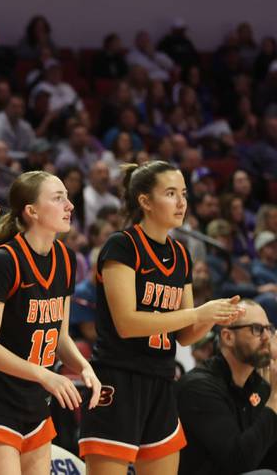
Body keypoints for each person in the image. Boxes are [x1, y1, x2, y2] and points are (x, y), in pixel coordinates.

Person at [79, 161, 244, 475]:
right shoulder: (122, 245)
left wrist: (213, 317)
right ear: (145, 201)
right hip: (118, 378)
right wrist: (197, 312)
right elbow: (127, 324)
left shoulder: (181, 253)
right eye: (170, 193)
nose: (182, 202)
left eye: (183, 193)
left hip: (162, 380)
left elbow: (183, 334)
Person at [0, 171, 101, 475]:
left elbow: (60, 336)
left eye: (67, 197)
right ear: (31, 211)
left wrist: (85, 366)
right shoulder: (4, 261)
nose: (70, 205)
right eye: (58, 198)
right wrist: (45, 375)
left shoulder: (65, 258)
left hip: (35, 400)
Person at [177, 300, 277, 475]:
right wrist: (276, 400)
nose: (267, 337)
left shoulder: (259, 386)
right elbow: (238, 462)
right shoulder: (198, 388)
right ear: (228, 337)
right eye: (257, 329)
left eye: (269, 329)